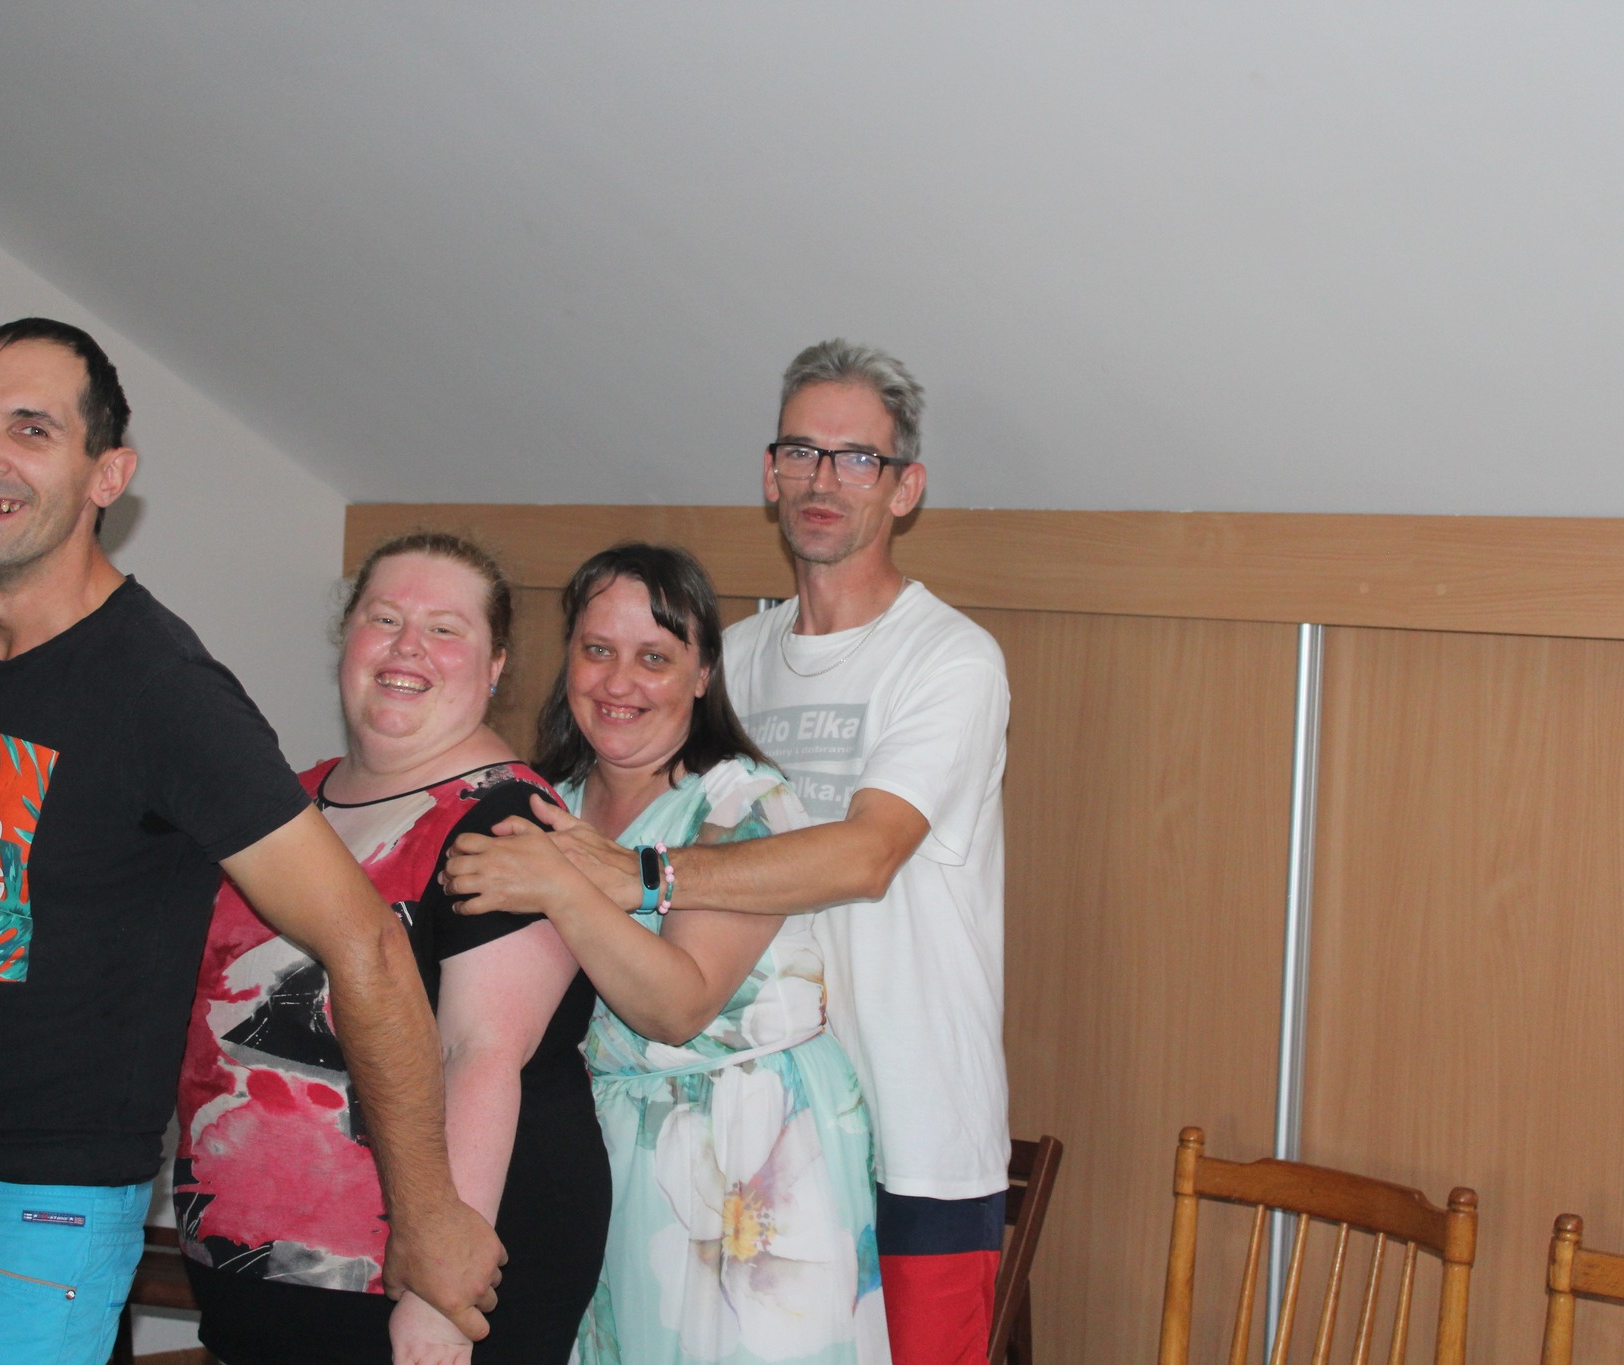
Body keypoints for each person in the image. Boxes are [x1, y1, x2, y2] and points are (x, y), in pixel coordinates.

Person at [0, 318, 502, 1365]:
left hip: (31, 1216)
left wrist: (427, 1211)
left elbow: (367, 943)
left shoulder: (165, 692)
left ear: (107, 474)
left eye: (31, 429)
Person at [453, 342, 1010, 1365]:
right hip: (712, 1119)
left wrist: (638, 879)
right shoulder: (734, 659)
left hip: (914, 1125)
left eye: (858, 458)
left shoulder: (948, 659)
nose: (823, 479)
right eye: (801, 451)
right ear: (769, 473)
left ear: (905, 488)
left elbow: (867, 855)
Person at [173, 532, 607, 1365]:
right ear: (348, 639)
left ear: (495, 666)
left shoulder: (511, 820)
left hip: (422, 1289)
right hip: (254, 1275)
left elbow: (483, 1053)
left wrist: (440, 1300)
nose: (409, 645)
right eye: (384, 618)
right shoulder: (287, 801)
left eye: (445, 629)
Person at [449, 542, 888, 1365]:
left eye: (654, 657)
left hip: (747, 1156)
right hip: (596, 1154)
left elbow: (679, 1005)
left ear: (702, 673)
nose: (619, 682)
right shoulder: (545, 801)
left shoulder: (742, 803)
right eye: (598, 650)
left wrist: (561, 884)